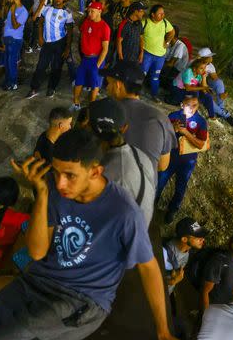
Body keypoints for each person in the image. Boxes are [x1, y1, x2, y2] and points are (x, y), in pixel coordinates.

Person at [0, 129, 186, 340]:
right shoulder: (55, 190)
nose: (61, 182)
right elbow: (37, 252)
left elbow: (149, 266)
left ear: (96, 171)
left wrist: (164, 333)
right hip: (38, 280)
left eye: (70, 175)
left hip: (80, 302)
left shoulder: (123, 212)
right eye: (56, 173)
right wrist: (41, 194)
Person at [85, 97, 156, 224]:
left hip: (122, 239)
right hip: (141, 229)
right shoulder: (142, 157)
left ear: (88, 127)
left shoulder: (105, 175)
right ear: (124, 128)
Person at [156, 95, 208, 224]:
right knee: (159, 181)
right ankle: (151, 205)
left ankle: (172, 210)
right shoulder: (173, 116)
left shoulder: (201, 122)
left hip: (188, 160)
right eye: (188, 105)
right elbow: (161, 135)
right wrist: (172, 129)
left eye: (195, 105)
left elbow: (201, 144)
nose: (192, 108)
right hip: (170, 156)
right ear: (182, 105)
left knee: (181, 186)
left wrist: (185, 132)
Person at [26, 0, 74, 99]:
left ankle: (52, 87)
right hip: (47, 43)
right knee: (41, 66)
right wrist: (40, 37)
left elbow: (70, 32)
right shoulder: (46, 9)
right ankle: (34, 88)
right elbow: (40, 23)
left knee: (56, 67)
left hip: (60, 42)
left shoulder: (67, 13)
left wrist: (67, 48)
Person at [72, 1, 110, 110]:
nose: (89, 13)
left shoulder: (105, 27)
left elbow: (105, 49)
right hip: (85, 59)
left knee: (95, 84)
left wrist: (98, 65)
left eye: (92, 11)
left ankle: (91, 107)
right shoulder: (86, 21)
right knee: (79, 80)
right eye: (88, 11)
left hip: (96, 59)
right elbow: (83, 35)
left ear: (99, 11)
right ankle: (76, 103)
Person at [163, 217, 208, 295]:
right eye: (198, 237)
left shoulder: (186, 251)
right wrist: (172, 281)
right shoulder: (165, 253)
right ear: (184, 239)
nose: (203, 239)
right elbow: (150, 277)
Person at [140, 5, 175, 99]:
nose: (162, 15)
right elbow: (139, 35)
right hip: (147, 54)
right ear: (153, 14)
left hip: (160, 56)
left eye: (163, 13)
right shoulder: (145, 22)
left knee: (155, 77)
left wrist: (167, 42)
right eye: (160, 13)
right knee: (141, 74)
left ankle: (154, 95)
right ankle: (135, 93)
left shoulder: (165, 22)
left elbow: (172, 32)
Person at [2, 0, 28, 91]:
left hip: (15, 39)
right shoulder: (11, 8)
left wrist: (13, 12)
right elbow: (6, 23)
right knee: (6, 62)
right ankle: (8, 82)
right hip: (7, 38)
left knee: (11, 61)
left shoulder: (23, 11)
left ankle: (13, 83)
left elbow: (15, 25)